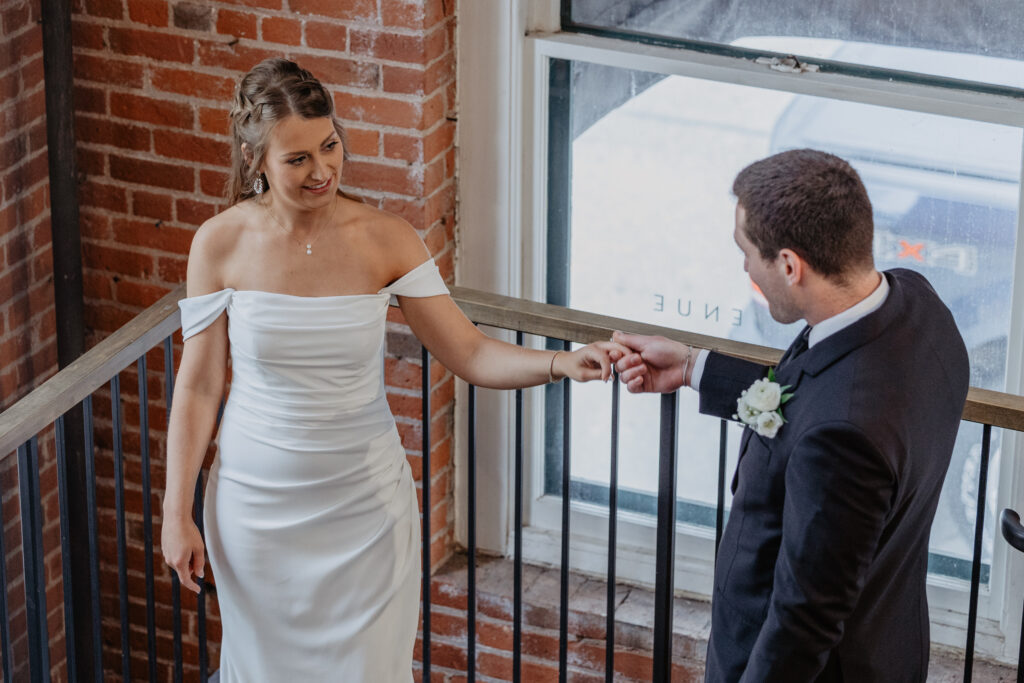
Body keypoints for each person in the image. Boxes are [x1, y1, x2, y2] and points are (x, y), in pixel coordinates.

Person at [160, 58, 626, 682]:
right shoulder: (218, 244)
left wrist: (560, 363)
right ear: (256, 162)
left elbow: (469, 351)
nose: (322, 170)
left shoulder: (386, 238)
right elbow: (199, 384)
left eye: (329, 146)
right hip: (254, 511)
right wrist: (175, 511)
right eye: (297, 159)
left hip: (364, 512)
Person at [613, 149, 970, 682]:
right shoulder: (917, 307)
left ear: (788, 265)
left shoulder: (842, 437)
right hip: (890, 639)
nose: (744, 267)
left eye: (747, 252)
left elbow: (803, 623)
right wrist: (693, 368)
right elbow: (819, 394)